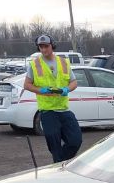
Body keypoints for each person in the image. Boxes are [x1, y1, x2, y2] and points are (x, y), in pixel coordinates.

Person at [23, 34, 82, 162]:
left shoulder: (63, 62)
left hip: (64, 109)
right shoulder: (35, 64)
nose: (43, 50)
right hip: (47, 111)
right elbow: (27, 85)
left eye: (46, 46)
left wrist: (67, 89)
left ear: (52, 45)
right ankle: (59, 166)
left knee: (75, 141)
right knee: (54, 146)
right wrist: (41, 90)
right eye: (41, 47)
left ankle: (59, 164)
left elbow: (74, 82)